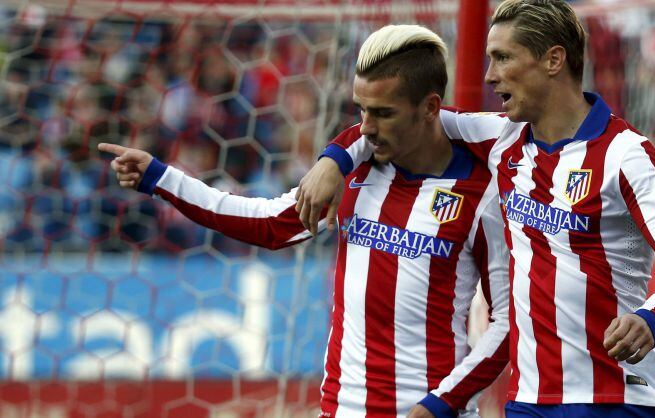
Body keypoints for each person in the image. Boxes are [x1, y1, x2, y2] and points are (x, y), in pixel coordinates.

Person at [295, 1, 655, 417]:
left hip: (618, 398)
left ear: (553, 59)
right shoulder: (502, 139)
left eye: (503, 58)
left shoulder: (626, 154)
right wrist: (334, 159)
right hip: (529, 402)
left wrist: (652, 319)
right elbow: (399, 118)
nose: (489, 76)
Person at [99, 25, 510, 418]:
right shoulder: (355, 172)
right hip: (342, 408)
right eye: (361, 110)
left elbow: (506, 321)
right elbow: (267, 225)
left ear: (431, 108)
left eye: (384, 113)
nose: (366, 127)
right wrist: (161, 178)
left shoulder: (482, 192)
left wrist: (443, 402)